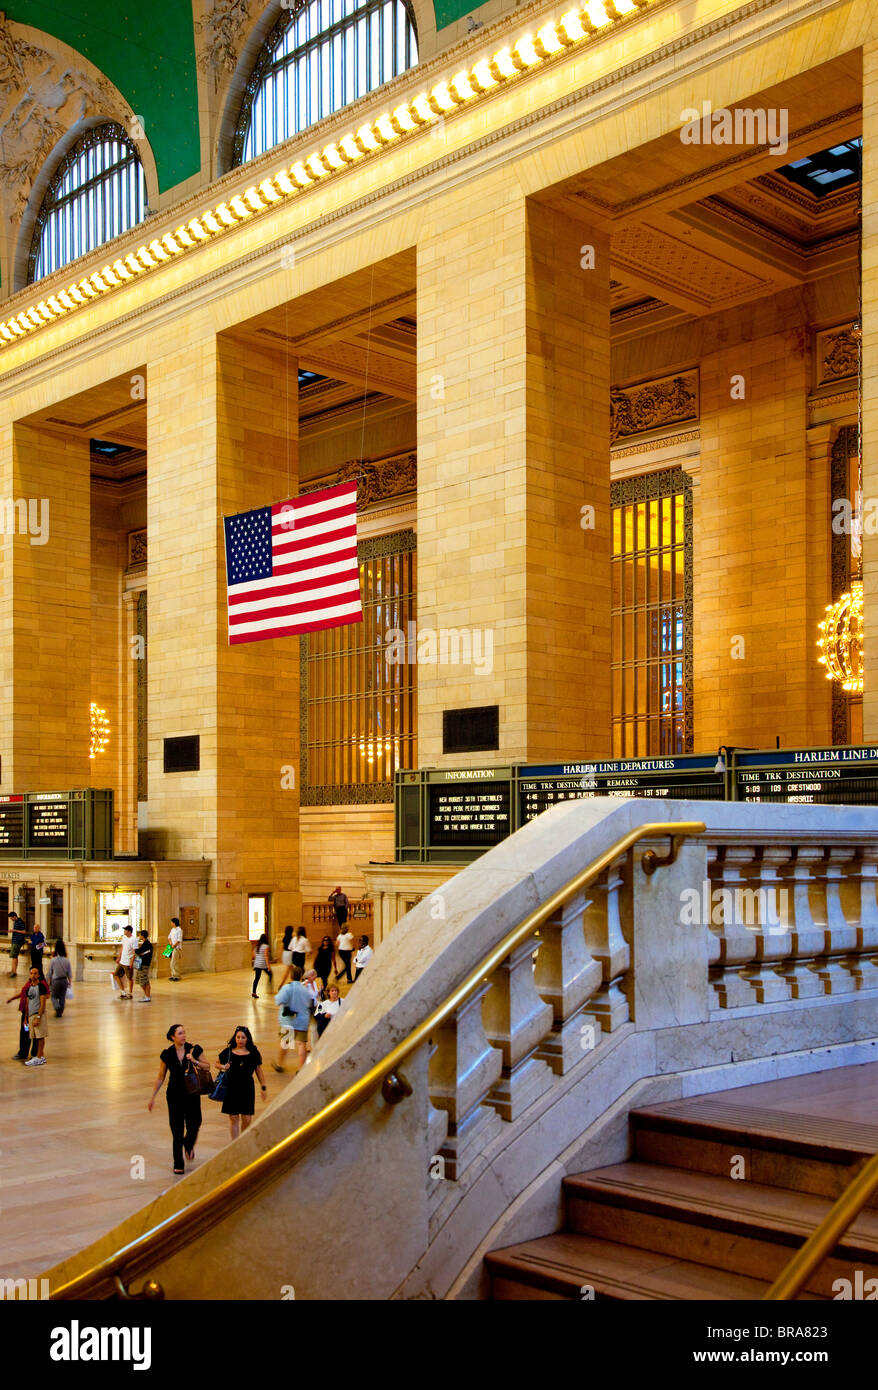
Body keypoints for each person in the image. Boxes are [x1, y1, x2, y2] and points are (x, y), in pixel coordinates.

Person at [148, 1023, 211, 1174]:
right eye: (180, 1033)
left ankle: (188, 1145)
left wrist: (194, 1060)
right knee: (176, 1130)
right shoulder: (167, 1054)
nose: (184, 1036)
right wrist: (153, 1096)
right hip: (174, 1094)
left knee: (195, 1123)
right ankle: (178, 1162)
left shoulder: (194, 1049)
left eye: (184, 1033)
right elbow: (161, 1076)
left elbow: (207, 1066)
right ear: (172, 1037)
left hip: (192, 1093)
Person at [216, 1026, 267, 1139]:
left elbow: (258, 1070)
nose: (240, 1040)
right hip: (231, 1087)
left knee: (247, 1119)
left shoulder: (253, 1052)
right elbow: (216, 1063)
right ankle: (235, 1144)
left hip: (247, 1088)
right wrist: (223, 1066)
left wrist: (263, 1087)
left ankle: (243, 1139)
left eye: (243, 1037)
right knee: (233, 1118)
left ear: (247, 1039)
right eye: (238, 1037)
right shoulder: (229, 1052)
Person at [6, 966, 49, 1065]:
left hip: (37, 1015)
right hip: (28, 1015)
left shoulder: (42, 986)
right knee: (28, 1034)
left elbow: (43, 1002)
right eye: (31, 973)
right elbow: (25, 997)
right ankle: (24, 1053)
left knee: (39, 1036)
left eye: (35, 973)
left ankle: (38, 1055)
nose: (33, 975)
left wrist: (38, 1016)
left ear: (38, 975)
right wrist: (25, 1017)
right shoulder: (29, 986)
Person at [273, 965, 312, 1074]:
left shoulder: (287, 988)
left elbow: (278, 1001)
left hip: (288, 1021)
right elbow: (308, 1003)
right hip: (302, 1020)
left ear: (291, 976)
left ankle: (280, 1065)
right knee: (301, 1044)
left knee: (285, 1042)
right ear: (301, 977)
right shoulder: (304, 990)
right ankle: (300, 1069)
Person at [47, 939, 72, 1018]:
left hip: (56, 981)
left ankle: (57, 1007)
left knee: (53, 996)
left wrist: (48, 981)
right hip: (64, 980)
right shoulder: (67, 961)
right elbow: (69, 973)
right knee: (62, 997)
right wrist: (70, 982)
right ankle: (60, 1012)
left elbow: (50, 972)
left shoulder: (53, 960)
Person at [113, 924, 136, 999]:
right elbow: (122, 947)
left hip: (128, 962)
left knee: (129, 978)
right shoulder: (124, 937)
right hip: (122, 961)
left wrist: (131, 962)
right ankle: (123, 991)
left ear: (129, 931)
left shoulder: (134, 939)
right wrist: (119, 958)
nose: (124, 931)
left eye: (125, 930)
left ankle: (130, 993)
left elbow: (134, 952)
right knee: (116, 975)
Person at [134, 928, 153, 1002]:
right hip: (142, 965)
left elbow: (141, 953)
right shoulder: (145, 944)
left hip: (144, 965)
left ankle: (147, 996)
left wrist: (136, 949)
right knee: (142, 981)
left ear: (142, 936)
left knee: (144, 981)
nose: (139, 936)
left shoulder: (147, 944)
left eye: (139, 935)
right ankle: (146, 995)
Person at [251, 932, 272, 998]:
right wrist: (268, 966)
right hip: (263, 964)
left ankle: (254, 992)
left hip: (257, 964)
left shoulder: (257, 946)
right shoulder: (266, 946)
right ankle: (269, 987)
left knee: (256, 978)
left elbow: (253, 955)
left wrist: (257, 959)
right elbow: (266, 956)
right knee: (270, 974)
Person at [7, 911, 27, 979]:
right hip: (15, 941)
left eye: (11, 918)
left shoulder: (20, 921)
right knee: (14, 956)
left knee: (14, 956)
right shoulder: (16, 922)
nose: (11, 919)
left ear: (14, 916)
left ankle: (14, 971)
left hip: (18, 941)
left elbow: (24, 932)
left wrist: (14, 930)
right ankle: (12, 970)